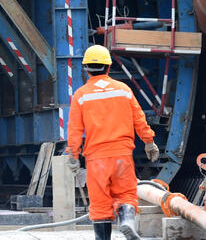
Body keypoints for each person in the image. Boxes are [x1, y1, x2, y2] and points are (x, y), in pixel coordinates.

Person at [66, 45, 160, 240]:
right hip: (121, 155)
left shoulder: (81, 96)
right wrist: (149, 141)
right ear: (108, 67)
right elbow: (139, 118)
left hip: (96, 158)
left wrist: (74, 155)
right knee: (126, 193)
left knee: (100, 203)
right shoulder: (123, 90)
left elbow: (75, 130)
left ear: (86, 69)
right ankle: (126, 220)